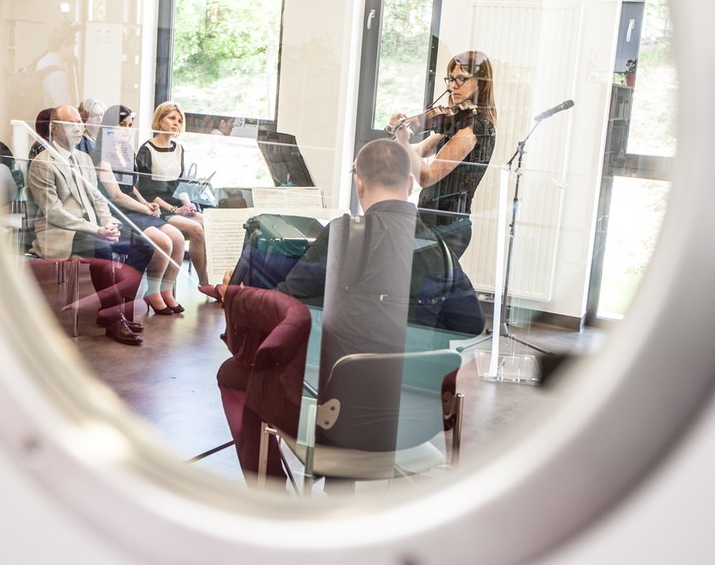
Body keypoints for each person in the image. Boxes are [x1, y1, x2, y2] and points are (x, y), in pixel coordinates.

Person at [218, 139, 485, 484]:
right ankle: (336, 487)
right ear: (409, 184)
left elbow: (285, 303)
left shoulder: (345, 236)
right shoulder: (440, 247)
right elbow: (470, 323)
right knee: (353, 366)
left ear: (358, 183)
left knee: (235, 374)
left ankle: (270, 493)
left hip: (343, 421)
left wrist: (238, 293)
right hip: (416, 423)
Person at [27, 104, 152, 346]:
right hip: (62, 232)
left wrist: (108, 224)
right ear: (54, 128)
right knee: (102, 250)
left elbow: (98, 199)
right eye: (71, 123)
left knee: (143, 246)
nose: (79, 127)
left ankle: (118, 311)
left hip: (96, 227)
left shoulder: (84, 159)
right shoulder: (43, 163)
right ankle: (114, 318)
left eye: (80, 122)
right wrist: (97, 230)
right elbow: (54, 213)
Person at [388, 49, 497, 255]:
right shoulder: (458, 120)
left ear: (480, 83)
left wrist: (403, 141)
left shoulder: (475, 127)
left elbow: (427, 177)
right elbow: (418, 150)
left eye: (461, 79)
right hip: (431, 221)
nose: (452, 85)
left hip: (449, 227)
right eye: (451, 78)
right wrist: (399, 138)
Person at [92, 104, 186, 315]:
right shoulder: (101, 156)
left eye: (129, 125)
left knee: (177, 239)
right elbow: (116, 195)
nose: (126, 129)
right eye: (122, 125)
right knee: (162, 242)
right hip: (116, 212)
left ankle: (164, 290)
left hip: (134, 207)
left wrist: (145, 203)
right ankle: (149, 293)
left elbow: (131, 186)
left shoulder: (125, 151)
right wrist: (143, 209)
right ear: (108, 127)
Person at [136, 101, 210, 288]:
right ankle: (203, 283)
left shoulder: (179, 149)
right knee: (196, 228)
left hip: (175, 203)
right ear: (160, 121)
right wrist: (175, 209)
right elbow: (147, 191)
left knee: (207, 223)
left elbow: (180, 183)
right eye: (171, 118)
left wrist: (187, 204)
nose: (176, 123)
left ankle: (208, 280)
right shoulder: (146, 150)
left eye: (179, 119)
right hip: (159, 207)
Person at [35, 22, 80, 108]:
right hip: (51, 120)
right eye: (72, 46)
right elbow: (65, 114)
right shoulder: (58, 76)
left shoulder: (41, 62)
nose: (73, 51)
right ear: (63, 47)